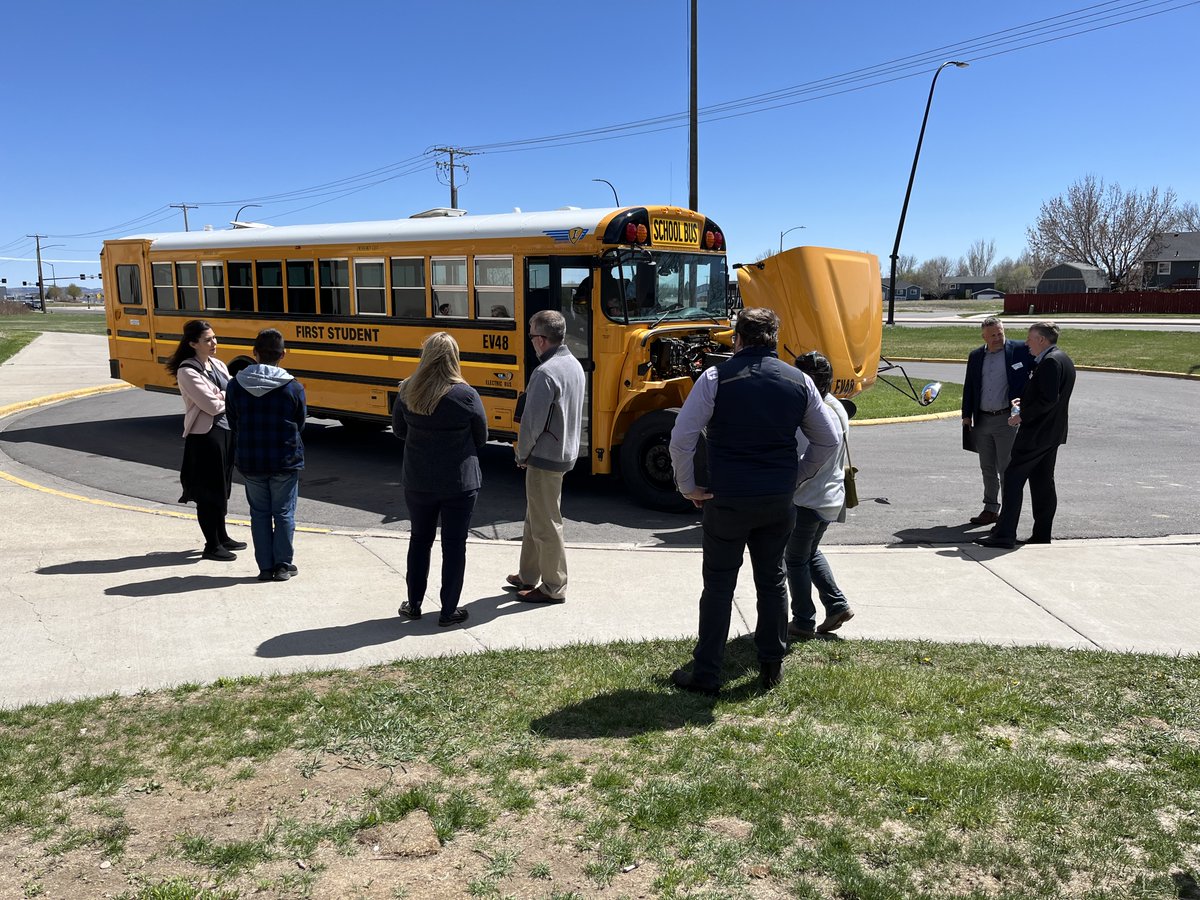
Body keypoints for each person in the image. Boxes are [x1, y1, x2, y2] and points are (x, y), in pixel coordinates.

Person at [668, 308, 840, 694]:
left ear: (737, 338)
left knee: (718, 585)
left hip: (726, 497)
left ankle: (707, 672)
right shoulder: (800, 381)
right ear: (774, 337)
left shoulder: (715, 378)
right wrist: (796, 475)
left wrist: (687, 487)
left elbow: (682, 437)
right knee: (772, 579)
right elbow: (827, 440)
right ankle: (770, 667)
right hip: (777, 500)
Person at [392, 332, 487, 626]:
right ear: (454, 358)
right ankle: (448, 611)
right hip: (459, 481)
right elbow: (481, 437)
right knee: (454, 544)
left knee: (420, 540)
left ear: (425, 356)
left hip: (418, 479)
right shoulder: (466, 395)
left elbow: (398, 431)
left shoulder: (407, 390)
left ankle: (414, 604)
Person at [506, 310, 585, 604]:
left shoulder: (544, 373)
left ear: (540, 340)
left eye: (530, 335)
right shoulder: (573, 364)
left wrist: (521, 453)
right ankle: (528, 575)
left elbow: (531, 423)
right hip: (564, 452)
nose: (530, 341)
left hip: (544, 456)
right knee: (536, 515)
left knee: (546, 522)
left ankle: (554, 586)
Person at [976, 322, 1076, 549]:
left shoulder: (1050, 362)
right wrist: (1025, 401)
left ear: (1042, 340)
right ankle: (1041, 533)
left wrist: (1021, 415)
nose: (1026, 343)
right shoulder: (1063, 359)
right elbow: (1049, 396)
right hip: (1052, 434)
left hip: (1036, 435)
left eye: (1030, 339)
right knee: (1042, 482)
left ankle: (1004, 535)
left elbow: (1048, 401)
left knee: (1012, 478)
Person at [225, 329, 307, 582]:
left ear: (254, 353)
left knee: (259, 513)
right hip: (284, 458)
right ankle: (283, 565)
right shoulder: (293, 387)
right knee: (284, 513)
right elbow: (300, 421)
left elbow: (233, 420)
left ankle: (264, 567)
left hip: (251, 459)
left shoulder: (236, 385)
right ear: (283, 354)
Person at [786, 351, 855, 640]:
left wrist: (787, 486)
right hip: (828, 497)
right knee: (809, 553)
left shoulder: (812, 415)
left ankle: (803, 621)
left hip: (807, 499)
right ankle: (837, 604)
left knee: (794, 559)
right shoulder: (835, 405)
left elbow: (804, 460)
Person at [165, 319, 245, 562]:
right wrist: (225, 395)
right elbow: (210, 406)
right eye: (207, 340)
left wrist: (223, 395)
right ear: (192, 344)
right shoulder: (187, 370)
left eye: (214, 337)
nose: (214, 343)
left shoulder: (218, 365)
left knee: (223, 487)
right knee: (208, 491)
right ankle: (211, 544)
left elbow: (235, 393)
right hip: (206, 436)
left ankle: (222, 535)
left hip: (226, 432)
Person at [961, 316, 1034, 525]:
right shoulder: (976, 356)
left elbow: (1040, 371)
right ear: (984, 336)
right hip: (982, 419)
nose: (997, 338)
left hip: (1007, 420)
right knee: (987, 467)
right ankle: (990, 508)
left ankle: (1008, 514)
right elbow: (970, 387)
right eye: (992, 335)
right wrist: (966, 416)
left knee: (1006, 467)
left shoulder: (1020, 350)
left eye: (1000, 333)